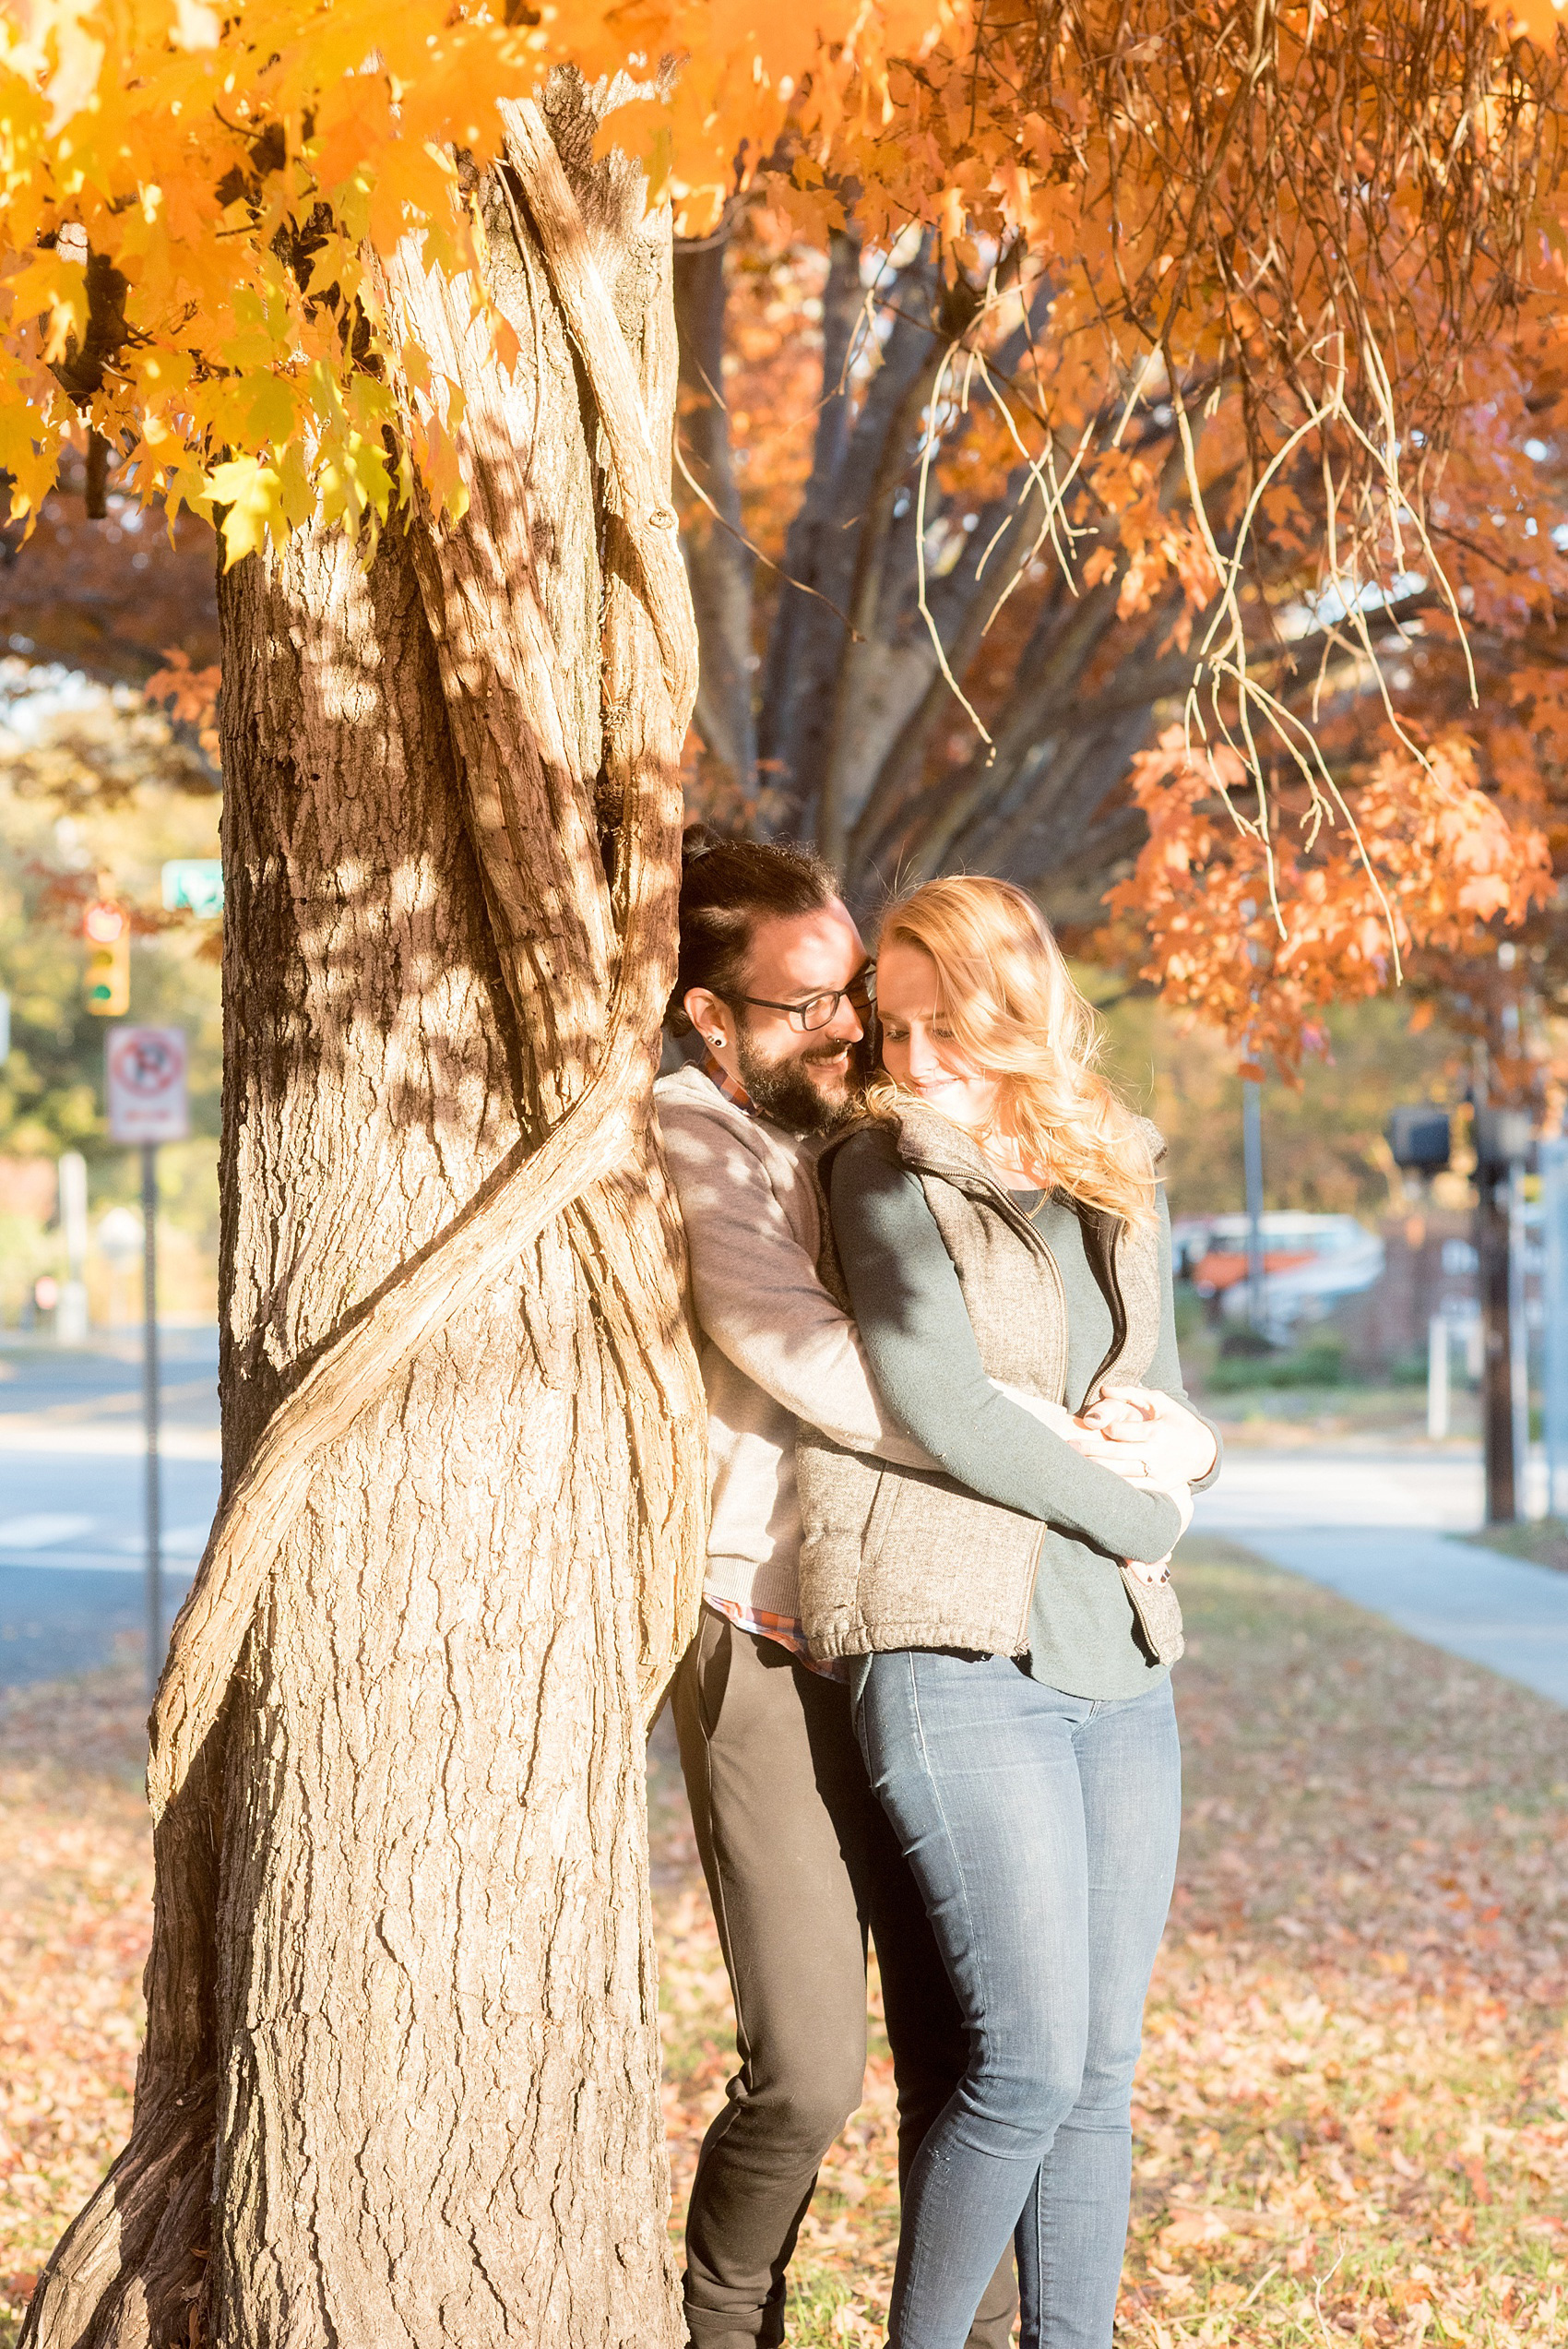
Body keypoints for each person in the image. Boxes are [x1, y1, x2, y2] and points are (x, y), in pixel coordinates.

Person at [796, 875, 1220, 2349]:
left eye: (945, 1027)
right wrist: (1147, 1507)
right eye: (892, 1030)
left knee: (1101, 2069)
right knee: (1027, 2066)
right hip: (950, 1642)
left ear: (1016, 1003)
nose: (912, 1061)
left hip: (1112, 1650)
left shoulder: (1115, 1166)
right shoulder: (877, 1169)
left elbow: (1134, 1396)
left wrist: (1174, 1457)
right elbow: (945, 1403)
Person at [655, 830, 1034, 2349]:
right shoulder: (692, 1137)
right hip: (761, 1632)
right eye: (804, 1003)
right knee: (810, 2065)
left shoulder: (875, 1118)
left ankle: (983, 2331)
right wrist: (1020, 1447)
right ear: (708, 1016)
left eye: (851, 993)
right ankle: (719, 2315)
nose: (849, 1026)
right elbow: (810, 1359)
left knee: (973, 2039)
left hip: (923, 1632)